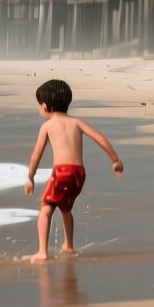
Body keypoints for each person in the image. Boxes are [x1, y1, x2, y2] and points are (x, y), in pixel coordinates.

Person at [22, 78, 125, 261]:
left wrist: (30, 176)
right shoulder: (77, 122)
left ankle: (42, 252)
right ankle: (68, 245)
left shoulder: (47, 126)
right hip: (79, 173)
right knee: (65, 208)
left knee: (46, 208)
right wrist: (114, 159)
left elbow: (35, 155)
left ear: (45, 106)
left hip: (61, 172)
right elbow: (100, 138)